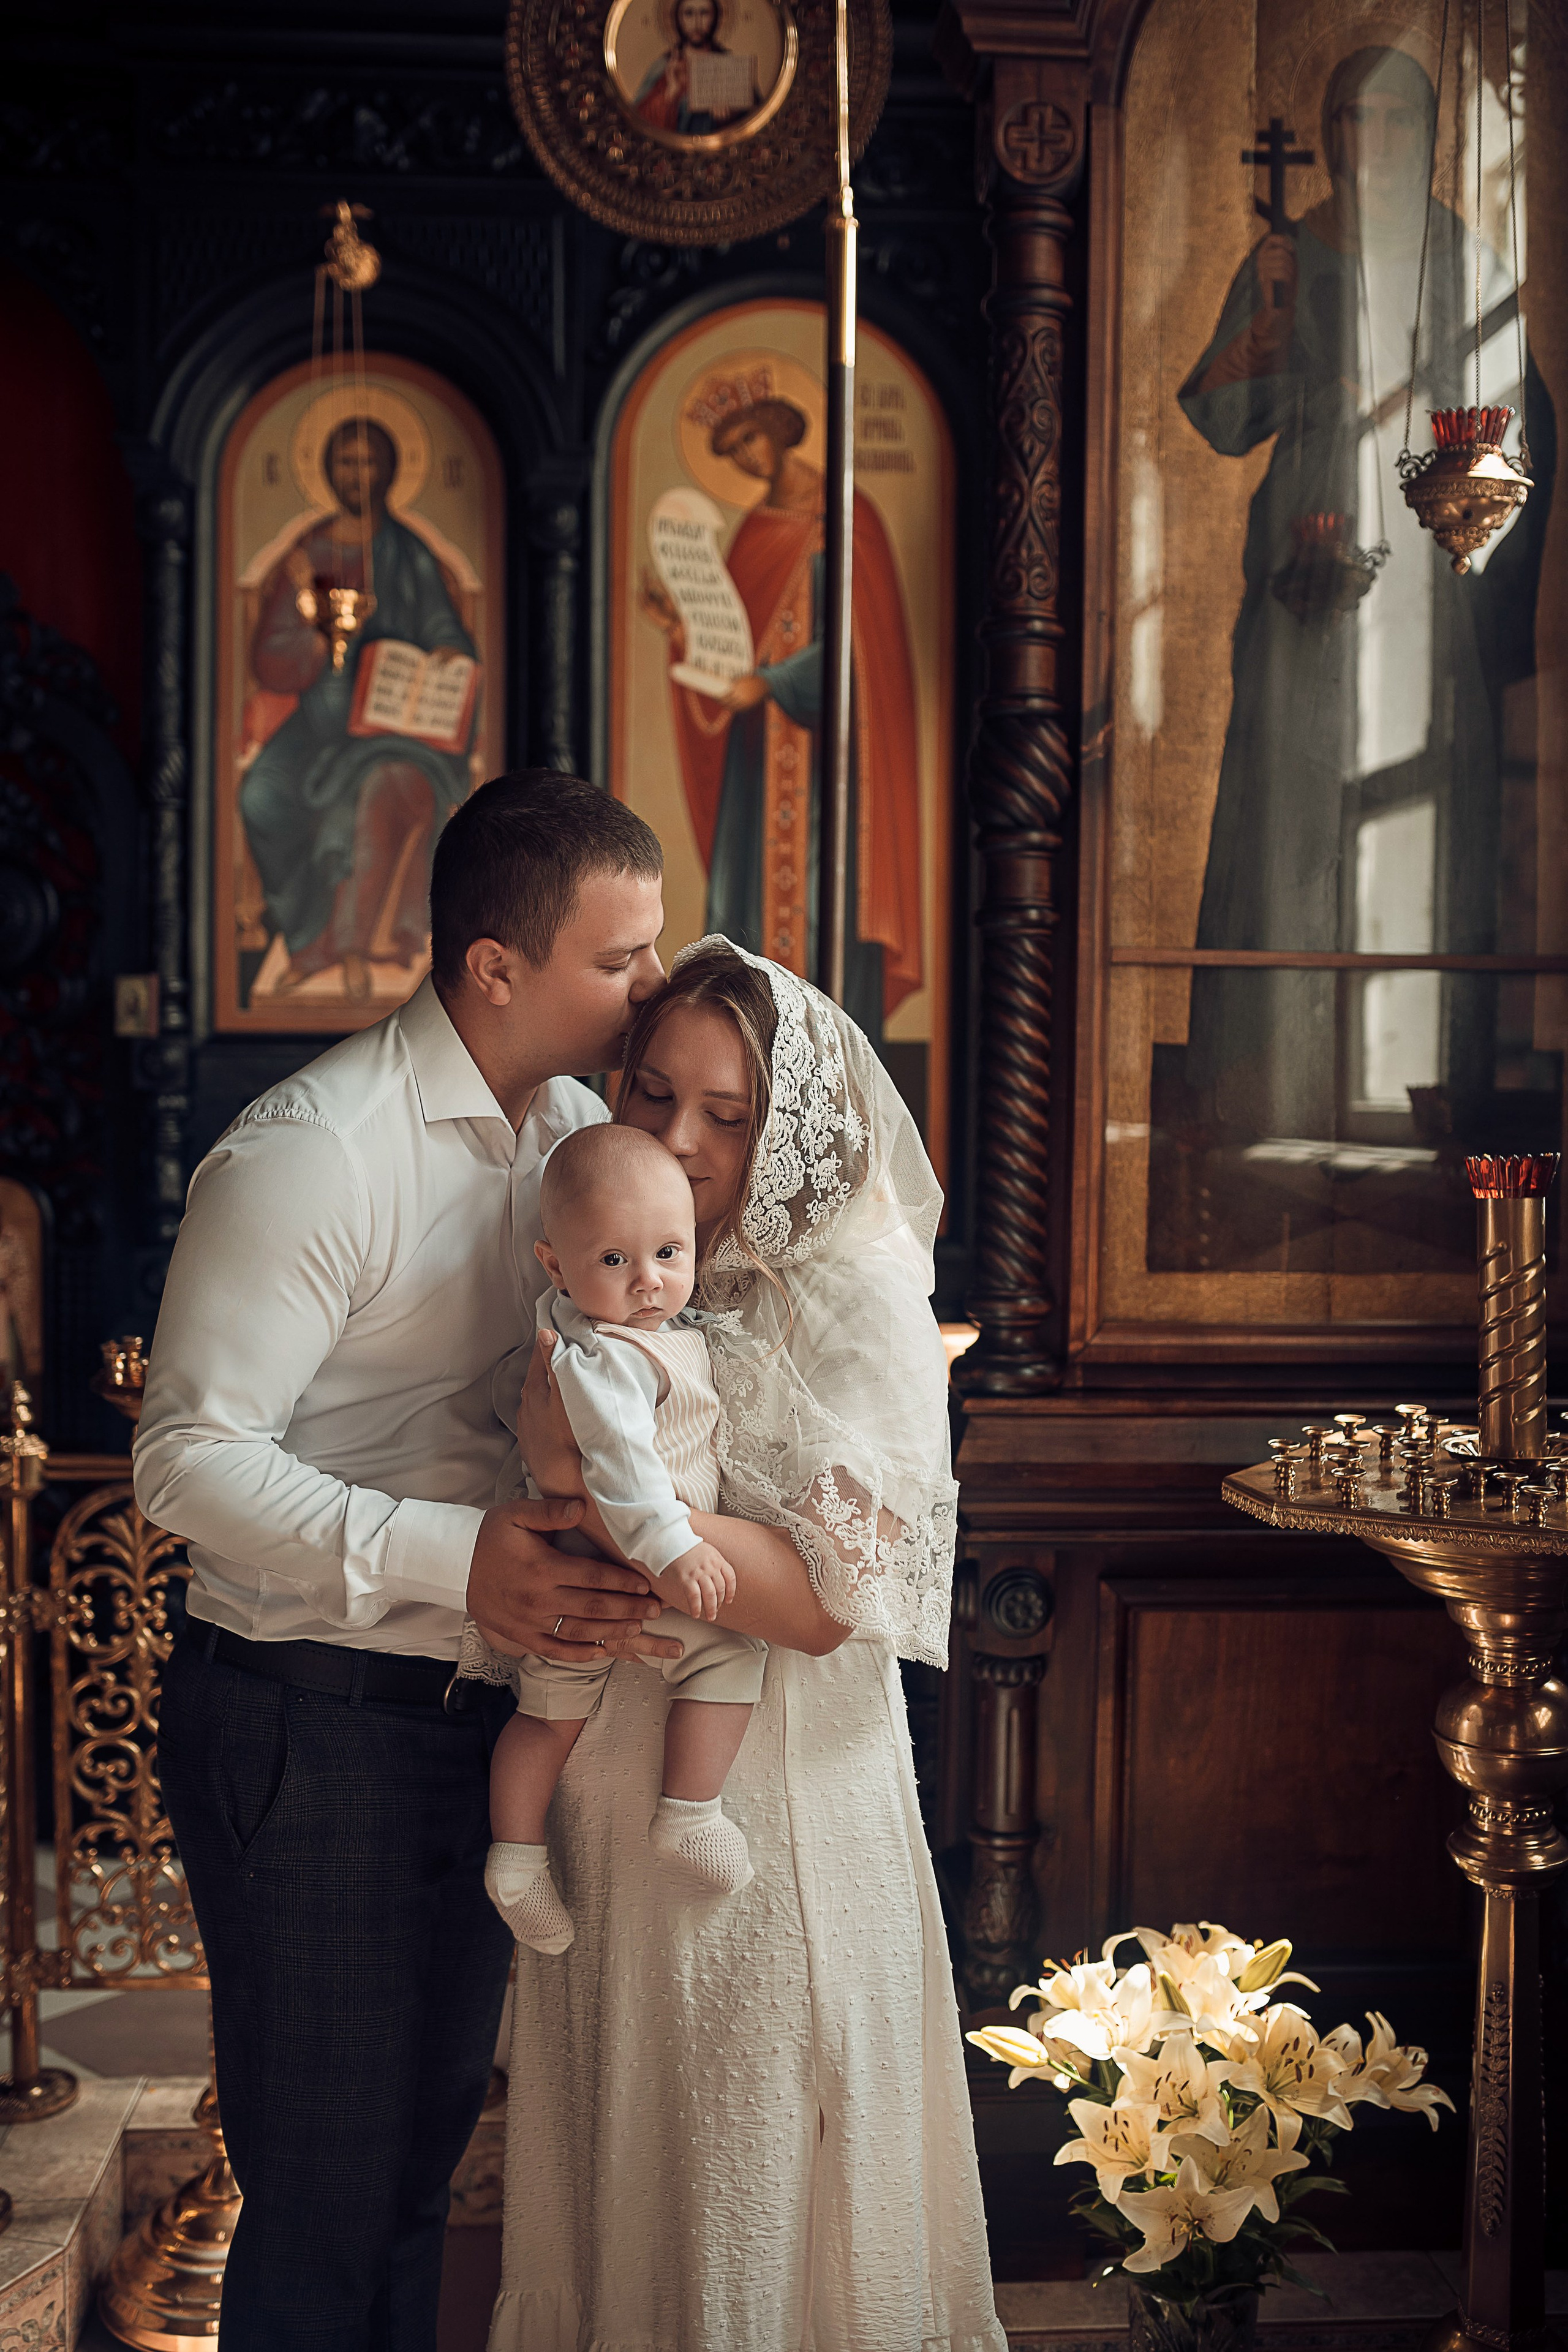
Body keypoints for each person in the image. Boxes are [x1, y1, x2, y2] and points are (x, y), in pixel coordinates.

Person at [134, 772, 682, 2352]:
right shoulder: (310, 1152)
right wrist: (459, 1559)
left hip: (484, 1721)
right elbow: (184, 1457)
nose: (647, 992)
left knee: (421, 2184)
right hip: (308, 1722)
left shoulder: (582, 1133)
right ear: (493, 968)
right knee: (321, 2204)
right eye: (617, 959)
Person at [488, 937, 1006, 2352]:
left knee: (755, 2148)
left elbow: (832, 1598)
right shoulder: (601, 1248)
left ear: (789, 1128)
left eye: (726, 1114)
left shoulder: (848, 1294)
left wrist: (623, 1512)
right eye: (653, 1092)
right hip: (609, 1771)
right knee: (623, 2150)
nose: (676, 1139)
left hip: (769, 1797)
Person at [1176, 45, 1520, 1152]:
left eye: (1392, 120)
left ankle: (1417, 1098)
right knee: (1287, 803)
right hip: (1304, 582)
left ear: (1425, 133)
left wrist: (1432, 430)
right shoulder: (1294, 250)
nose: (1369, 143)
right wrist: (1273, 324)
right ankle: (1271, 1092)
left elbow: (1510, 426)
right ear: (1329, 135)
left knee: (1417, 818)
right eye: (1352, 121)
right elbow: (1222, 416)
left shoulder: (1464, 257)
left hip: (1430, 577)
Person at [467, 1121, 766, 1955]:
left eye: (670, 1253)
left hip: (578, 1576)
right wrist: (674, 1547)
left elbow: (508, 1399)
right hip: (631, 1562)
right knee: (733, 1651)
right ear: (555, 1262)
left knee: (547, 1714)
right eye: (614, 1261)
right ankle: (691, 1812)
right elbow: (624, 1465)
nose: (649, 1282)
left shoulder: (578, 1333)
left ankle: (517, 1861)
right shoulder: (612, 1359)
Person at [640, 387, 923, 1042]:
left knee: (827, 902)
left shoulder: (849, 518)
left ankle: (829, 1053)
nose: (744, 459)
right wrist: (680, 629)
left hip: (833, 761)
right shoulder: (757, 527)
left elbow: (858, 647)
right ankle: (754, 1046)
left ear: (777, 432)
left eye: (749, 441)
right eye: (731, 451)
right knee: (754, 907)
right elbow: (734, 637)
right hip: (757, 761)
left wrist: (770, 683)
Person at [241, 416, 478, 1003]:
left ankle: (345, 947)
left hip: (394, 726)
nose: (357, 474)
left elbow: (444, 627)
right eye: (346, 462)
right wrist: (317, 640)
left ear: (390, 470)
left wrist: (447, 651)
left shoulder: (408, 552)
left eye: (367, 461)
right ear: (327, 470)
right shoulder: (307, 557)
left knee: (375, 790)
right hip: (320, 723)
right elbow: (270, 657)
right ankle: (300, 935)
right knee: (260, 794)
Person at [633, 0, 758, 135]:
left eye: (704, 13)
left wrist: (729, 119)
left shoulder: (731, 66)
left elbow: (756, 117)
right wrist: (670, 95)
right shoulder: (664, 66)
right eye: (689, 14)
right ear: (678, 19)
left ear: (715, 17)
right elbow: (638, 119)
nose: (697, 23)